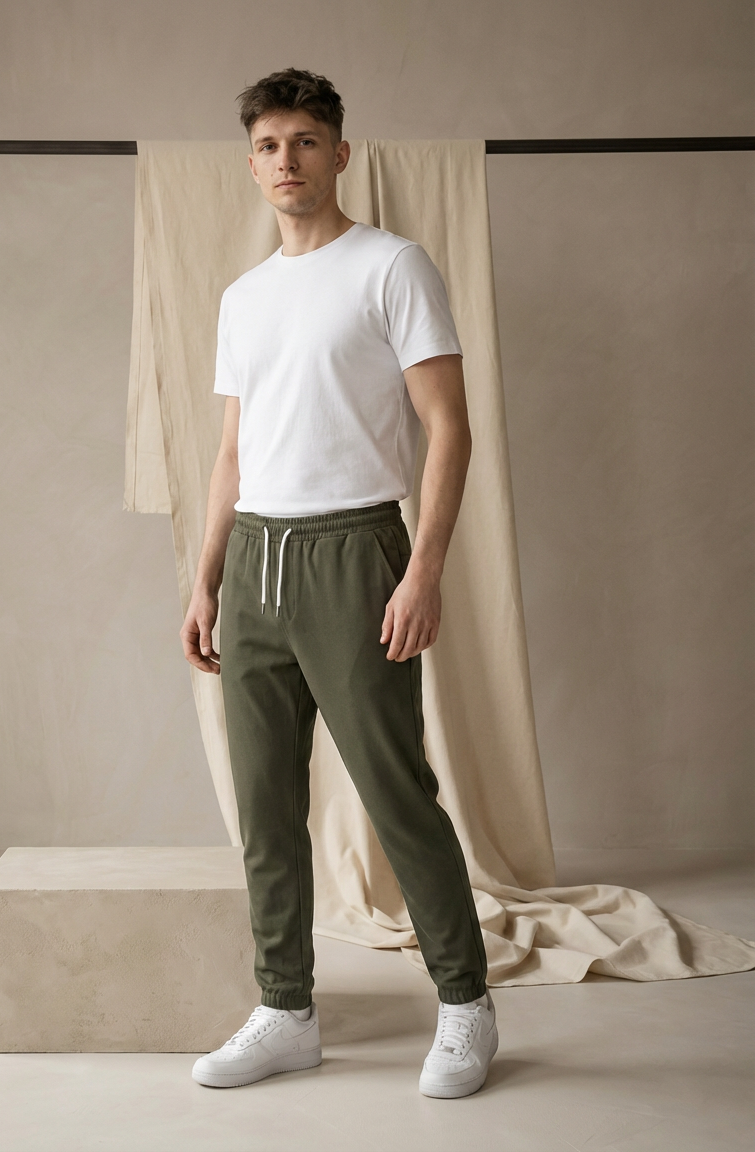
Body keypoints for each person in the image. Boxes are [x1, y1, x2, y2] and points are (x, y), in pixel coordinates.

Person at [179, 68, 497, 1099]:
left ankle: (466, 1005)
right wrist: (205, 580)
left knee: (396, 793)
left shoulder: (391, 266)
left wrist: (423, 569)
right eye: (270, 145)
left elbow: (448, 427)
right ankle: (286, 1010)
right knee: (265, 810)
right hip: (255, 565)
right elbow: (233, 452)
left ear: (340, 153)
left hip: (357, 553)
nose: (288, 161)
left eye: (306, 141)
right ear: (251, 163)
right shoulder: (243, 298)